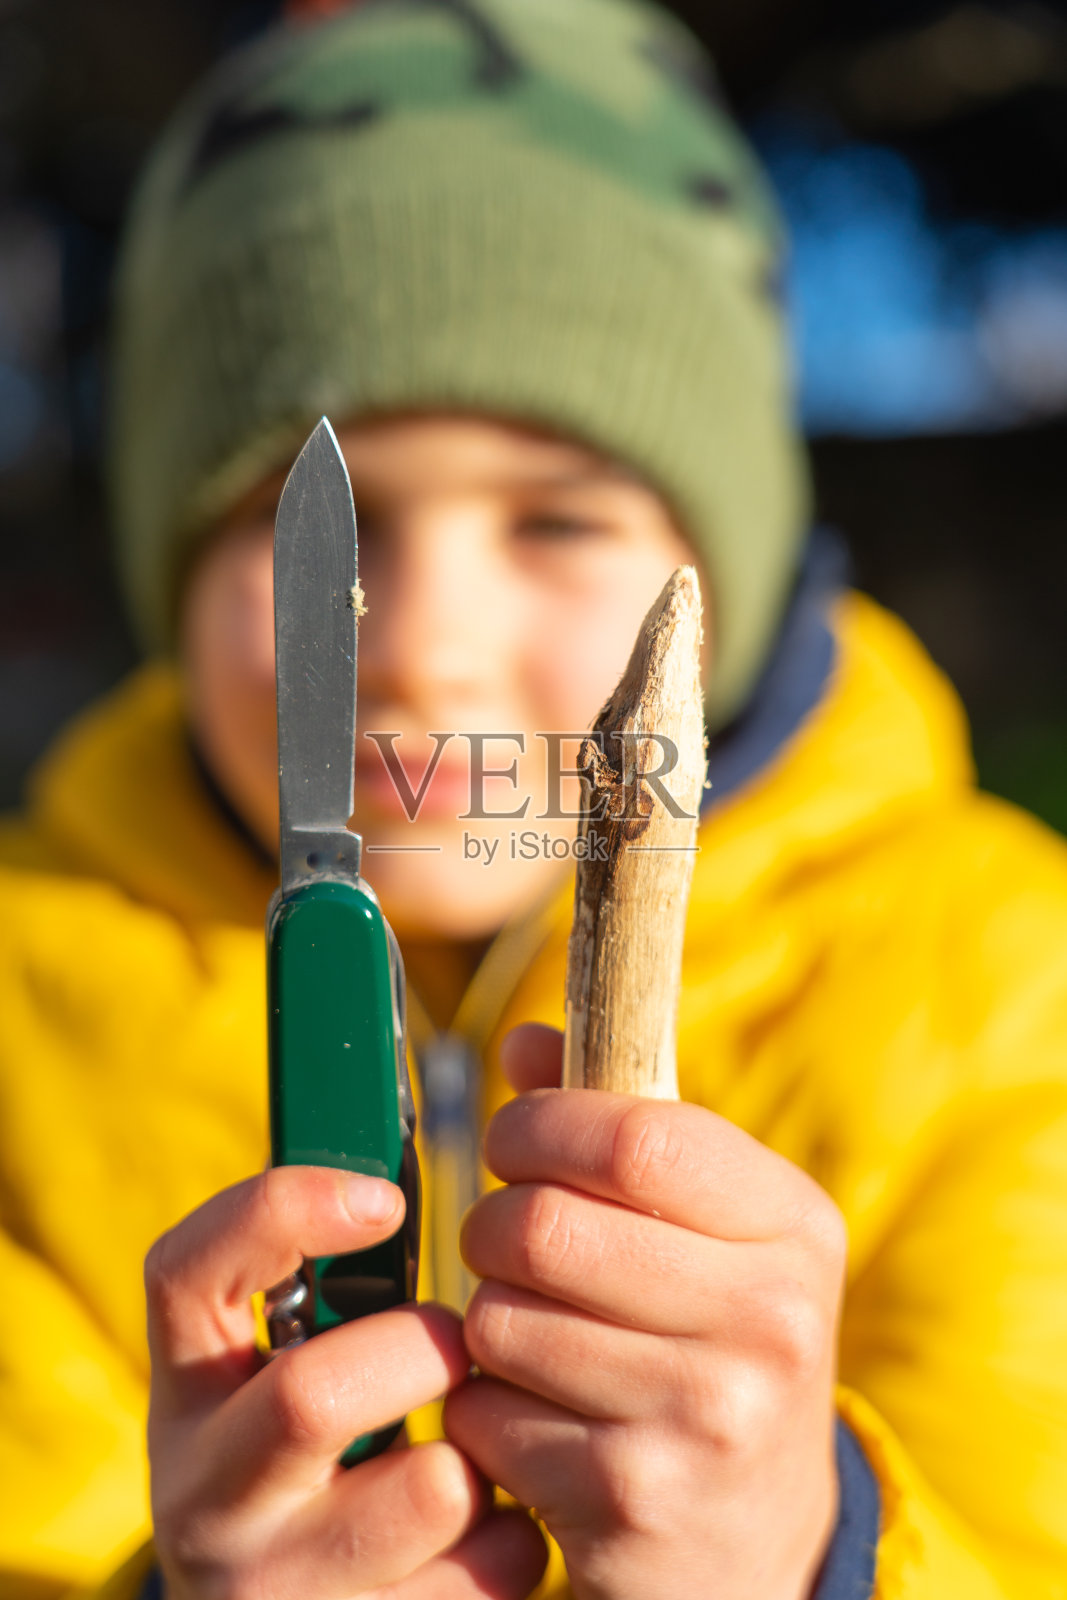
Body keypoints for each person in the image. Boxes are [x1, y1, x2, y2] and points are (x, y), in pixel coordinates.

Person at [1, 2, 1065, 1597]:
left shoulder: (1011, 983)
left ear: (731, 576)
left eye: (557, 521)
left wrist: (808, 1552)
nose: (419, 650)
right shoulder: (23, 1011)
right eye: (310, 540)